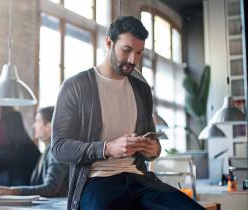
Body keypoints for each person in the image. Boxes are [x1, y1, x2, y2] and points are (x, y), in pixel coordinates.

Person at [51, 16, 205, 210]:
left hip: (139, 178)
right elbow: (58, 148)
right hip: (97, 181)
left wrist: (152, 150)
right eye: (127, 50)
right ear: (109, 42)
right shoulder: (76, 86)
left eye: (139, 53)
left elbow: (153, 147)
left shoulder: (142, 89)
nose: (133, 60)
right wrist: (107, 148)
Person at [0, 106, 69, 197]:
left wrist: (13, 191)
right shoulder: (48, 150)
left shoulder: (57, 151)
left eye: (37, 121)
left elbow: (51, 188)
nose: (33, 125)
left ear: (49, 126)